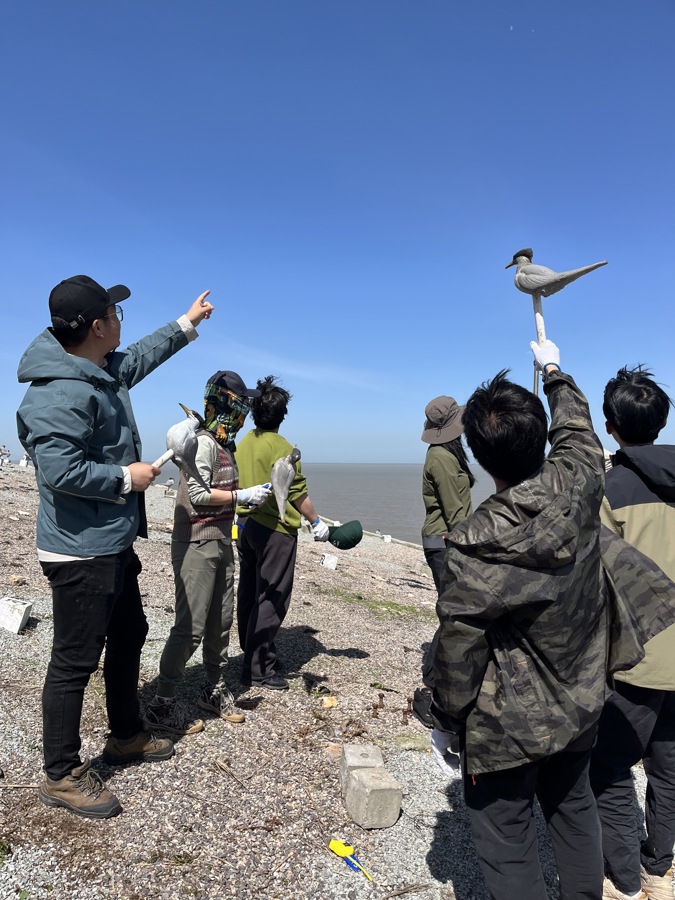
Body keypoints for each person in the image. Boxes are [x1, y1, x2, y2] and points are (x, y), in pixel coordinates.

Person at [16, 274, 214, 819]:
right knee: (74, 659)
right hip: (79, 550)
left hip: (111, 540)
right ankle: (60, 773)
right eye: (114, 312)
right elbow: (59, 470)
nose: (121, 321)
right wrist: (126, 479)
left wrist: (185, 324)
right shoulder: (57, 392)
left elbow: (141, 357)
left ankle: (125, 735)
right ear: (98, 326)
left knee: (130, 633)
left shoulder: (97, 366)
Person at [430, 339, 607, 900]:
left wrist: (444, 716)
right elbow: (578, 429)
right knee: (575, 809)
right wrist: (553, 369)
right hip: (584, 692)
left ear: (480, 458)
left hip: (508, 727)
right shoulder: (580, 481)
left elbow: (459, 651)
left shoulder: (473, 543)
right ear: (539, 440)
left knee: (508, 840)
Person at [145, 370, 272, 734]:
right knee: (190, 628)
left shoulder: (225, 446)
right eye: (241, 404)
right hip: (195, 542)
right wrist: (240, 496)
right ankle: (162, 703)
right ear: (226, 403)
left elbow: (221, 493)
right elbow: (199, 497)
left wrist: (249, 497)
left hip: (220, 541)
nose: (245, 413)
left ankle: (212, 689)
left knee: (221, 622)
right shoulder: (200, 443)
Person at [589, 366, 675, 900]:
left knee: (612, 765)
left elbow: (597, 579)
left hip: (636, 656)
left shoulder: (611, 489)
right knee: (670, 767)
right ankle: (660, 862)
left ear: (610, 426)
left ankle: (623, 877)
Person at [235, 375, 329, 690]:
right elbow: (297, 493)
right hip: (276, 530)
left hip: (245, 526)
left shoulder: (245, 441)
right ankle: (258, 669)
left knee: (248, 590)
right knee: (272, 597)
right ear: (282, 415)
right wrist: (316, 522)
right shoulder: (284, 448)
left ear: (253, 412)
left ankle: (251, 653)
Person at [414, 395, 474, 727]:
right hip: (444, 543)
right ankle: (429, 687)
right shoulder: (441, 458)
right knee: (453, 614)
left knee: (452, 613)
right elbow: (457, 515)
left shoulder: (444, 454)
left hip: (443, 541)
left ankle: (436, 681)